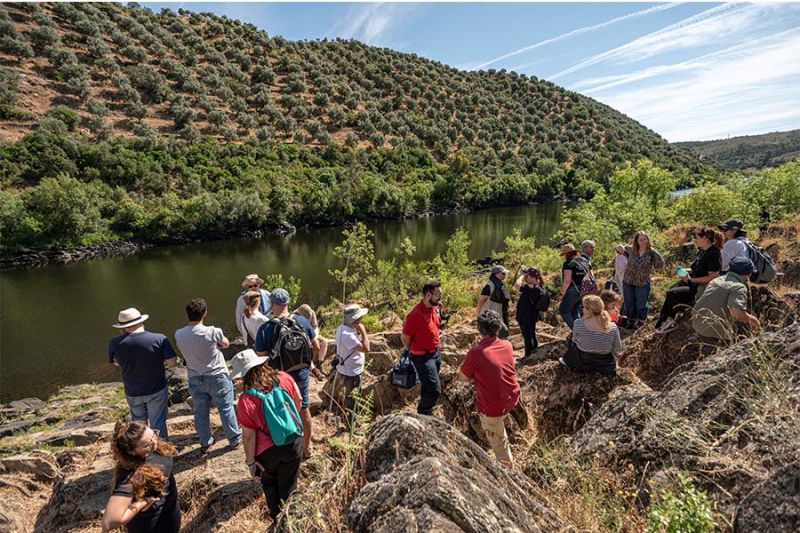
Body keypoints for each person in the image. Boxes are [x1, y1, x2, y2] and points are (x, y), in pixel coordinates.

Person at [231, 349, 304, 520]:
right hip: (293, 442)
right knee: (290, 486)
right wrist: (287, 425)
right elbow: (299, 400)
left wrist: (250, 462)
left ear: (243, 376)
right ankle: (293, 520)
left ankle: (277, 521)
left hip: (267, 454)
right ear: (262, 363)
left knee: (271, 487)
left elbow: (249, 437)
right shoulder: (284, 378)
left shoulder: (246, 400)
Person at [254, 288, 320, 459]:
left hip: (279, 376)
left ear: (272, 304)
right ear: (288, 302)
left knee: (280, 408)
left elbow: (260, 358)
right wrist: (310, 364)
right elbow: (317, 345)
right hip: (301, 373)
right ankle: (306, 447)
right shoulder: (302, 321)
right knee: (303, 408)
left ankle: (285, 446)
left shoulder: (266, 328)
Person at [174, 298, 242, 452]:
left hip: (195, 377)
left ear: (188, 315)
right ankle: (234, 439)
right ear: (205, 313)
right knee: (225, 408)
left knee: (200, 411)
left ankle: (205, 442)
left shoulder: (179, 334)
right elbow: (226, 344)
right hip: (217, 375)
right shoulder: (212, 331)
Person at [458, 310, 520, 466]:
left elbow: (463, 377)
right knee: (501, 415)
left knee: (500, 447)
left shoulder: (476, 353)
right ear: (498, 328)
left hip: (492, 408)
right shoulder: (507, 345)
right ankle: (507, 424)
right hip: (512, 397)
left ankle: (509, 473)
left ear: (479, 329)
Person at [108, 308, 178, 440]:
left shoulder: (114, 343)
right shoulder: (159, 338)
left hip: (132, 391)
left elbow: (115, 362)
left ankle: (143, 452)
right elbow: (172, 362)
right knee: (158, 424)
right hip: (156, 388)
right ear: (141, 322)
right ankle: (161, 455)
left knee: (139, 427)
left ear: (123, 326)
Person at [101, 421, 180, 533]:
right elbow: (109, 522)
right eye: (147, 444)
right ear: (132, 452)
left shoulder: (154, 446)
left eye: (154, 435)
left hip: (169, 512)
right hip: (151, 525)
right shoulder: (129, 474)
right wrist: (142, 503)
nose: (155, 441)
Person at [655, 227, 723, 334]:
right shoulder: (703, 251)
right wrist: (682, 270)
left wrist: (691, 280)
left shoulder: (713, 254)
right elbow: (694, 268)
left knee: (673, 294)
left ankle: (670, 321)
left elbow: (713, 276)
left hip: (701, 287)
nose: (696, 240)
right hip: (693, 282)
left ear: (705, 238)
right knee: (672, 289)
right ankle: (664, 319)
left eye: (697, 238)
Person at [692, 257, 760, 348]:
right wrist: (754, 321)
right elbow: (737, 314)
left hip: (697, 324)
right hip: (713, 333)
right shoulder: (738, 287)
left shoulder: (716, 280)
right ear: (748, 273)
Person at [402, 281, 443, 415]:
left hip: (435, 353)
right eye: (437, 294)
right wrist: (414, 349)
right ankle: (423, 411)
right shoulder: (415, 315)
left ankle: (426, 413)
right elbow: (405, 338)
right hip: (422, 357)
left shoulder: (435, 308)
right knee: (435, 390)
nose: (440, 296)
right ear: (427, 295)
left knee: (428, 386)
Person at [560, 295, 622, 376]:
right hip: (604, 363)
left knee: (571, 339)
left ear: (590, 310)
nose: (582, 309)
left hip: (581, 361)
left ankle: (567, 360)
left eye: (584, 307)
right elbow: (618, 348)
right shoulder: (613, 327)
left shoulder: (578, 323)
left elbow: (575, 340)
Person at [332, 304, 370, 424]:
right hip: (352, 371)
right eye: (359, 318)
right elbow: (366, 348)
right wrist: (363, 332)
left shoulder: (341, 329)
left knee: (352, 395)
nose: (361, 320)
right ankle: (351, 422)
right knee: (352, 396)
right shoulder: (348, 335)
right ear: (354, 320)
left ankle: (350, 419)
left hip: (348, 368)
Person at [622, 231, 665, 328]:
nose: (643, 241)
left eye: (644, 239)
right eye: (640, 239)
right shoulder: (631, 249)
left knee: (641, 303)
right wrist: (619, 248)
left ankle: (641, 321)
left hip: (642, 282)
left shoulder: (652, 252)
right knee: (629, 302)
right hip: (628, 280)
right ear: (636, 241)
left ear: (648, 240)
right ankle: (630, 320)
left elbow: (661, 265)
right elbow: (619, 248)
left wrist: (651, 270)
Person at [514, 266, 547, 357]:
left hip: (525, 315)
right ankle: (534, 352)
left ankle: (528, 356)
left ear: (533, 277)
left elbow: (517, 285)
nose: (526, 278)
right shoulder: (540, 286)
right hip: (532, 315)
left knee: (527, 336)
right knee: (532, 333)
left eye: (527, 276)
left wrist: (521, 275)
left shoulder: (531, 288)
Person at [292, 304, 329, 375]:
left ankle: (320, 363)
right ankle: (311, 367)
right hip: (300, 336)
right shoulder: (294, 315)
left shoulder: (312, 313)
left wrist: (315, 337)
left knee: (324, 342)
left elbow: (315, 327)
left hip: (311, 333)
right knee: (307, 347)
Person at [235, 274, 271, 344]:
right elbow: (239, 319)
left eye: (255, 285)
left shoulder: (267, 294)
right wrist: (245, 335)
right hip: (252, 334)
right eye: (250, 286)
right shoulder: (242, 299)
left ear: (259, 284)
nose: (253, 288)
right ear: (247, 287)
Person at [477, 266, 511, 338]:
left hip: (498, 314)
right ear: (497, 274)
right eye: (503, 273)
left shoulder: (499, 284)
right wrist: (478, 311)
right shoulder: (489, 285)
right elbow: (481, 300)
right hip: (490, 315)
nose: (505, 275)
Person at [558, 243, 585, 329]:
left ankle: (577, 332)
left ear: (567, 254)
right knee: (575, 311)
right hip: (583, 289)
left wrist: (561, 294)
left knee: (564, 311)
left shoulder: (568, 264)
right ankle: (581, 331)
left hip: (573, 290)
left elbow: (567, 281)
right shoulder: (583, 261)